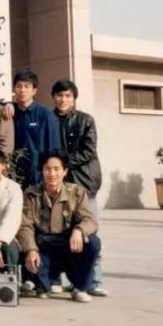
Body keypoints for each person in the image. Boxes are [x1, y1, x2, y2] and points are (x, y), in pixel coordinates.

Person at [17, 149, 100, 303]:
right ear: (42, 170)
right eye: (47, 169)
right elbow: (25, 226)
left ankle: (80, 288)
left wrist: (78, 231)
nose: (52, 174)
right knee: (42, 292)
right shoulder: (31, 194)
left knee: (94, 242)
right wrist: (31, 249)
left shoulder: (77, 192)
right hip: (44, 247)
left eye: (56, 169)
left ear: (65, 171)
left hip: (69, 247)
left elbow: (89, 220)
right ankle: (42, 280)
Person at [52, 79, 108, 296]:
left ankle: (94, 281)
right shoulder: (49, 118)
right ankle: (70, 279)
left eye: (67, 95)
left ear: (74, 98)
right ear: (53, 97)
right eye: (59, 95)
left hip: (84, 183)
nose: (63, 99)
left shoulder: (86, 120)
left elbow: (88, 151)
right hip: (59, 185)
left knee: (88, 230)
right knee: (59, 232)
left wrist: (62, 164)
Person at [5, 70, 61, 189]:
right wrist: (8, 104)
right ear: (14, 90)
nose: (22, 90)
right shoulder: (10, 113)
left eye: (27, 86)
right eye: (19, 86)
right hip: (15, 176)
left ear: (34, 90)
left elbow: (54, 149)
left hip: (39, 176)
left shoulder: (45, 114)